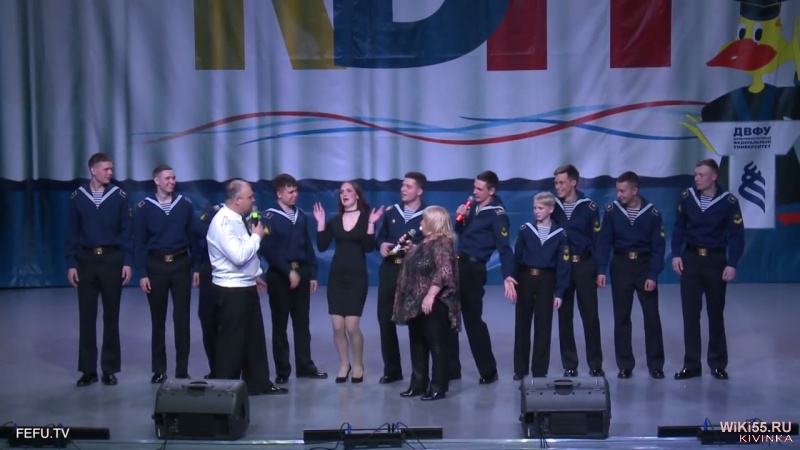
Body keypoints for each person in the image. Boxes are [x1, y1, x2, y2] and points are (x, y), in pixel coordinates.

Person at [206, 179, 286, 395]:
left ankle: (258, 383)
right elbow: (239, 255)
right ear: (237, 199)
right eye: (250, 197)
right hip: (231, 291)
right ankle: (225, 387)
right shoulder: (223, 223)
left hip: (246, 285)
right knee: (232, 341)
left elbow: (245, 251)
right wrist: (257, 237)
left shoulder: (238, 218)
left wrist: (255, 274)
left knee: (254, 339)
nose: (253, 200)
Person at [671, 159, 745, 380]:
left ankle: (717, 364)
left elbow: (737, 235)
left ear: (714, 177)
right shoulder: (687, 197)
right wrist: (675, 253)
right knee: (690, 315)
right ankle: (691, 365)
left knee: (715, 314)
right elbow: (678, 227)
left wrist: (732, 263)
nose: (696, 178)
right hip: (691, 260)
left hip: (715, 261)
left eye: (701, 175)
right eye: (695, 174)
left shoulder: (728, 201)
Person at [66, 152, 133, 387]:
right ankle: (88, 370)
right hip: (86, 260)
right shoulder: (78, 196)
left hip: (112, 260)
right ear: (93, 170)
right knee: (86, 317)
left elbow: (127, 231)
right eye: (106, 169)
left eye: (111, 169)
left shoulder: (119, 196)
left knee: (111, 316)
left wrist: (127, 261)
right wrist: (71, 263)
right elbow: (72, 232)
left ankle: (109, 369)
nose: (110, 173)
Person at [134, 164, 201, 384]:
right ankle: (159, 369)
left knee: (182, 319)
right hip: (156, 266)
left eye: (173, 178)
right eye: (167, 178)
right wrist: (142, 273)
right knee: (158, 320)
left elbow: (194, 238)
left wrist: (197, 267)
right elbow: (139, 242)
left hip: (181, 265)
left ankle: (182, 369)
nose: (172, 181)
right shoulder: (144, 207)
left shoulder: (184, 204)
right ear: (156, 181)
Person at [596, 172, 666, 379]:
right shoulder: (612, 211)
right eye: (617, 191)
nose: (619, 195)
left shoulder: (652, 213)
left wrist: (653, 274)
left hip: (645, 267)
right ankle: (625, 365)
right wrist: (601, 270)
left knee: (651, 317)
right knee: (622, 317)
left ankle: (656, 365)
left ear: (635, 190)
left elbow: (659, 247)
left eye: (622, 191)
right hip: (621, 266)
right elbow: (604, 242)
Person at [313, 181, 383, 384]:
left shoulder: (366, 218)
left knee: (352, 327)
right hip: (337, 277)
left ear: (357, 195)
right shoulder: (335, 220)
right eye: (341, 192)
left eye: (349, 191)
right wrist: (320, 222)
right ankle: (344, 364)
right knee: (337, 327)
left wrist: (372, 224)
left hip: (357, 277)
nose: (344, 194)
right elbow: (322, 245)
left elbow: (369, 247)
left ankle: (358, 364)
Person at [259, 174, 327, 384]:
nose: (294, 195)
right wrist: (287, 271)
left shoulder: (301, 215)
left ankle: (305, 366)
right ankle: (282, 371)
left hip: (302, 273)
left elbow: (307, 245)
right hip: (280, 276)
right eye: (290, 192)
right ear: (279, 194)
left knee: (302, 323)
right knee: (280, 325)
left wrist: (312, 273)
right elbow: (267, 249)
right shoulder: (269, 217)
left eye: (296, 191)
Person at [452, 170, 516, 384]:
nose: (475, 192)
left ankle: (488, 370)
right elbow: (460, 233)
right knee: (449, 317)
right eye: (474, 187)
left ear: (492, 190)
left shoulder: (497, 214)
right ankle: (451, 368)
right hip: (456, 264)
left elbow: (504, 248)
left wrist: (508, 275)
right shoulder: (472, 206)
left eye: (479, 189)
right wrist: (460, 218)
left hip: (473, 269)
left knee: (472, 320)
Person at [393, 206, 460, 401]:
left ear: (433, 222)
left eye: (424, 219)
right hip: (415, 302)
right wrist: (410, 250)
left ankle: (438, 386)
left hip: (434, 303)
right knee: (417, 344)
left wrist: (430, 295)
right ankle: (418, 384)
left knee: (436, 345)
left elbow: (443, 272)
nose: (421, 222)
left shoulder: (443, 244)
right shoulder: (424, 243)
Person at [507, 192, 570, 379]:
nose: (537, 211)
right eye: (535, 208)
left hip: (546, 281)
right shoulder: (526, 230)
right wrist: (512, 281)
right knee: (522, 325)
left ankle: (540, 371)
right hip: (526, 278)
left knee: (543, 326)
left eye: (540, 208)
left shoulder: (560, 234)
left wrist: (559, 292)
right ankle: (520, 369)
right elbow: (516, 258)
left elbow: (563, 265)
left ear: (550, 209)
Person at [552, 165, 604, 377]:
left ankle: (595, 364)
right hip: (562, 269)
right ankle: (570, 364)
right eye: (555, 183)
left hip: (584, 266)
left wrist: (600, 270)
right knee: (564, 317)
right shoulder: (552, 207)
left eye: (561, 182)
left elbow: (598, 241)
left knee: (590, 316)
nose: (557, 187)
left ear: (573, 183)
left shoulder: (589, 207)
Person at [374, 172, 427, 384]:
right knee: (385, 320)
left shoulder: (428, 215)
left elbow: (434, 244)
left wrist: (416, 248)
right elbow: (381, 237)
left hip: (414, 271)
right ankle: (392, 370)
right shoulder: (391, 212)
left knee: (416, 322)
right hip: (390, 269)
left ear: (419, 191)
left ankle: (419, 375)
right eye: (402, 186)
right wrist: (382, 245)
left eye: (408, 186)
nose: (403, 190)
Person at [196, 202, 224, 378]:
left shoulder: (248, 215)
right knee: (208, 319)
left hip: (236, 275)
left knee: (231, 325)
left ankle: (231, 370)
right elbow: (198, 232)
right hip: (210, 270)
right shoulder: (214, 212)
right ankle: (215, 369)